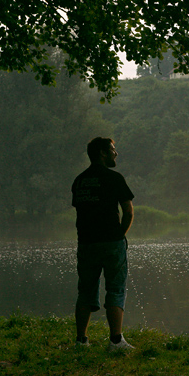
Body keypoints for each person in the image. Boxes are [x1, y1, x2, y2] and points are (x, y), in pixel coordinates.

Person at [71, 137, 135, 351]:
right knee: (116, 289)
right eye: (112, 150)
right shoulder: (114, 178)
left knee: (85, 291)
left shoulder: (79, 181)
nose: (116, 154)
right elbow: (128, 212)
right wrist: (119, 236)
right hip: (111, 243)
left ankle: (81, 340)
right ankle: (115, 342)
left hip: (86, 243)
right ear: (102, 153)